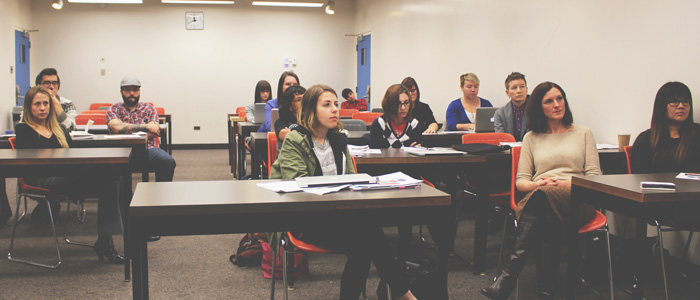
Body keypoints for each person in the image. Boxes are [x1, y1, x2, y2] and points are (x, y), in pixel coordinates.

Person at [270, 84, 418, 300]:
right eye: (327, 105)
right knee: (369, 235)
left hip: (338, 216)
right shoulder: (295, 139)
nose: (335, 110)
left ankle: (402, 293)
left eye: (336, 105)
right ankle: (404, 293)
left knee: (364, 243)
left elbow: (351, 181)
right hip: (306, 219)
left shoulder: (338, 140)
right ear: (311, 110)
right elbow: (300, 186)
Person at [481, 82, 601, 300]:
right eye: (549, 101)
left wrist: (563, 184)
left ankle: (508, 277)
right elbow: (521, 182)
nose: (557, 104)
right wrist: (540, 185)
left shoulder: (583, 133)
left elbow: (594, 177)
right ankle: (546, 293)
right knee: (546, 216)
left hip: (578, 199)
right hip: (541, 199)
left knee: (544, 201)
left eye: (560, 98)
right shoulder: (531, 138)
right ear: (538, 107)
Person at [15, 86, 125, 264]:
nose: (43, 108)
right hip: (44, 180)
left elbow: (72, 153)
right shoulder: (24, 129)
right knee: (111, 176)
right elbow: (34, 160)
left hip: (66, 175)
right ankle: (120, 235)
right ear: (29, 107)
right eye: (37, 104)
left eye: (46, 103)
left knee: (113, 181)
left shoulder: (58, 129)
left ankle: (105, 241)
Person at [107, 76, 176, 183]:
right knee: (109, 167)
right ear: (121, 92)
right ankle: (123, 198)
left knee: (167, 161)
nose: (131, 93)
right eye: (127, 90)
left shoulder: (149, 108)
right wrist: (146, 126)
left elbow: (154, 132)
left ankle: (160, 196)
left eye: (135, 90)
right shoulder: (114, 109)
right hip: (121, 150)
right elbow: (116, 127)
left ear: (139, 91)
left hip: (147, 150)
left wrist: (125, 129)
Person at [630, 81, 700, 173]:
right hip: (656, 187)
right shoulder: (645, 140)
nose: (681, 106)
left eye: (686, 102)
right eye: (674, 102)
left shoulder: (697, 134)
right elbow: (638, 177)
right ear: (662, 106)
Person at [23, 68, 77, 132]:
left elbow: (70, 128)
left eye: (54, 83)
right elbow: (23, 127)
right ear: (38, 86)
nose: (51, 87)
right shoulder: (32, 103)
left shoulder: (67, 103)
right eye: (47, 83)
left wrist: (56, 104)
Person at [369, 84, 423, 148]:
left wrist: (415, 150)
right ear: (389, 104)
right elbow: (374, 153)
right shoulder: (379, 124)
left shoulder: (414, 125)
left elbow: (419, 153)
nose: (403, 108)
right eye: (398, 103)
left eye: (406, 103)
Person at [494, 72, 530, 141]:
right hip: (509, 150)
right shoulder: (500, 114)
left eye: (522, 87)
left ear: (526, 90)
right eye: (514, 88)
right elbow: (501, 138)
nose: (519, 91)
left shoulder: (537, 109)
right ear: (507, 93)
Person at [274, 85, 306, 151]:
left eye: (305, 99)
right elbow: (286, 135)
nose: (304, 102)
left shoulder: (311, 120)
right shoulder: (281, 122)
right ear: (290, 107)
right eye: (299, 100)